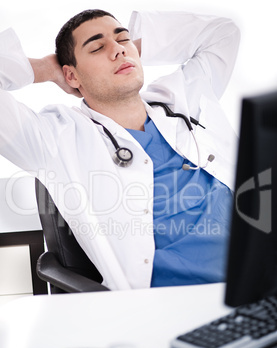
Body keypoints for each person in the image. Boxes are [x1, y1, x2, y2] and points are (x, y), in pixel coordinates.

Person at [0, 9, 240, 290]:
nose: (117, 50)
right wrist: (45, 70)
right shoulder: (53, 137)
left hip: (260, 273)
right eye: (97, 47)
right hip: (178, 301)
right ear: (72, 76)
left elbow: (223, 33)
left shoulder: (180, 98)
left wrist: (124, 50)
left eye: (123, 39)